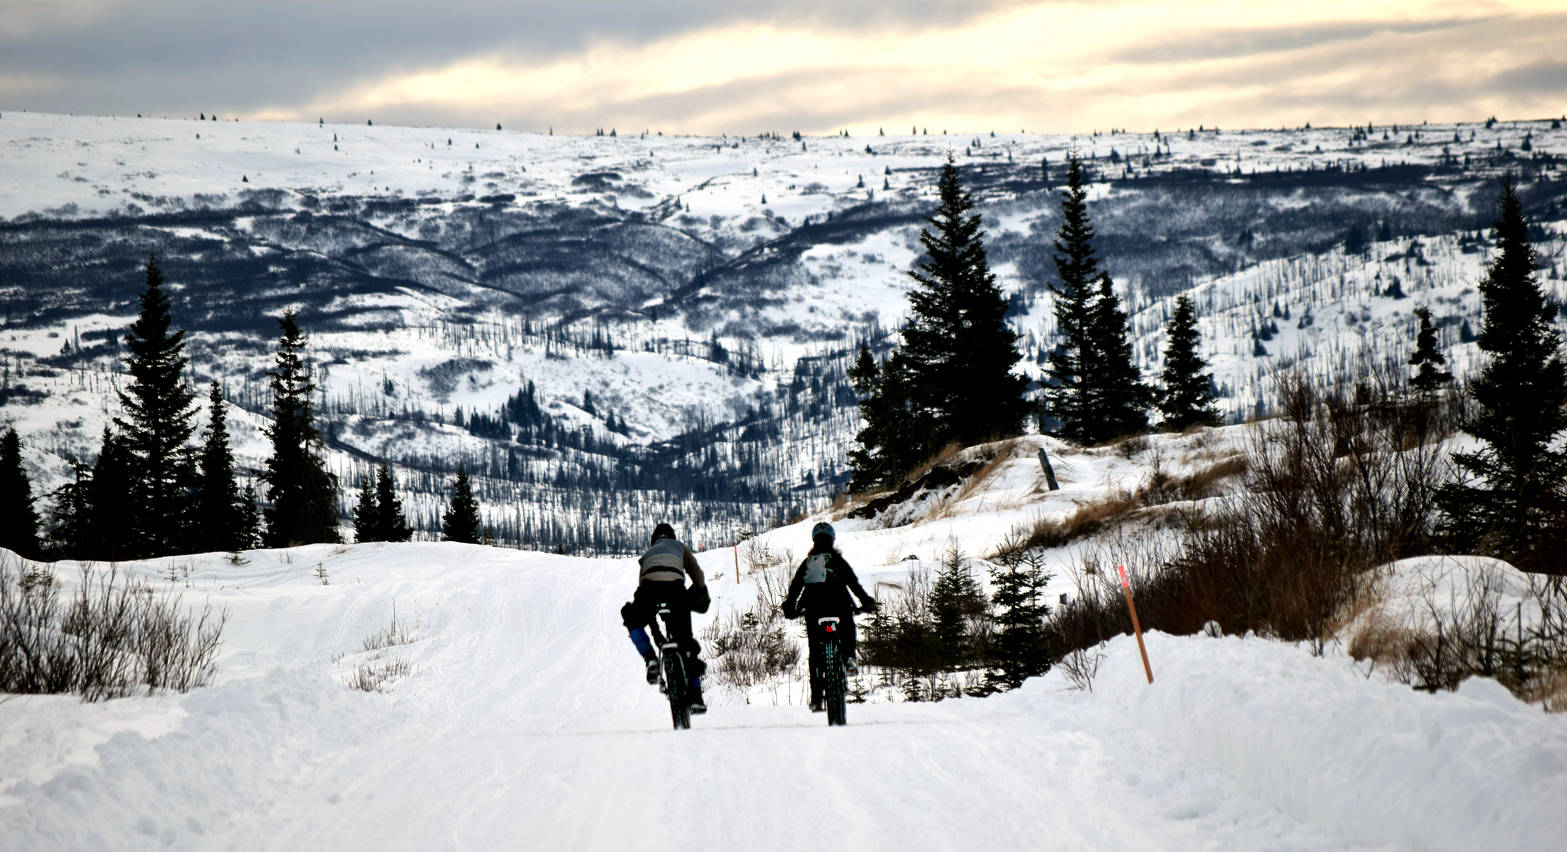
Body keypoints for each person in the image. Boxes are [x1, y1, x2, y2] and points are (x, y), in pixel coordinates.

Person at [781, 521, 877, 711]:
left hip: (813, 609)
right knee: (848, 628)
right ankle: (849, 658)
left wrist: (790, 607)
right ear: (832, 539)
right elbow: (853, 583)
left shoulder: (809, 562)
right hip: (839, 606)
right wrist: (866, 602)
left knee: (815, 654)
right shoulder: (837, 560)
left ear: (814, 540)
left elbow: (796, 587)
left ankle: (817, 698)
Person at [621, 522, 710, 713]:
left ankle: (650, 659)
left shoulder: (648, 555)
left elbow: (644, 585)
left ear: (654, 540)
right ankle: (695, 697)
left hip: (648, 592)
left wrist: (655, 629)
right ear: (672, 537)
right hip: (676, 592)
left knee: (632, 619)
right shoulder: (679, 547)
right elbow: (698, 576)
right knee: (686, 643)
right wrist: (700, 592)